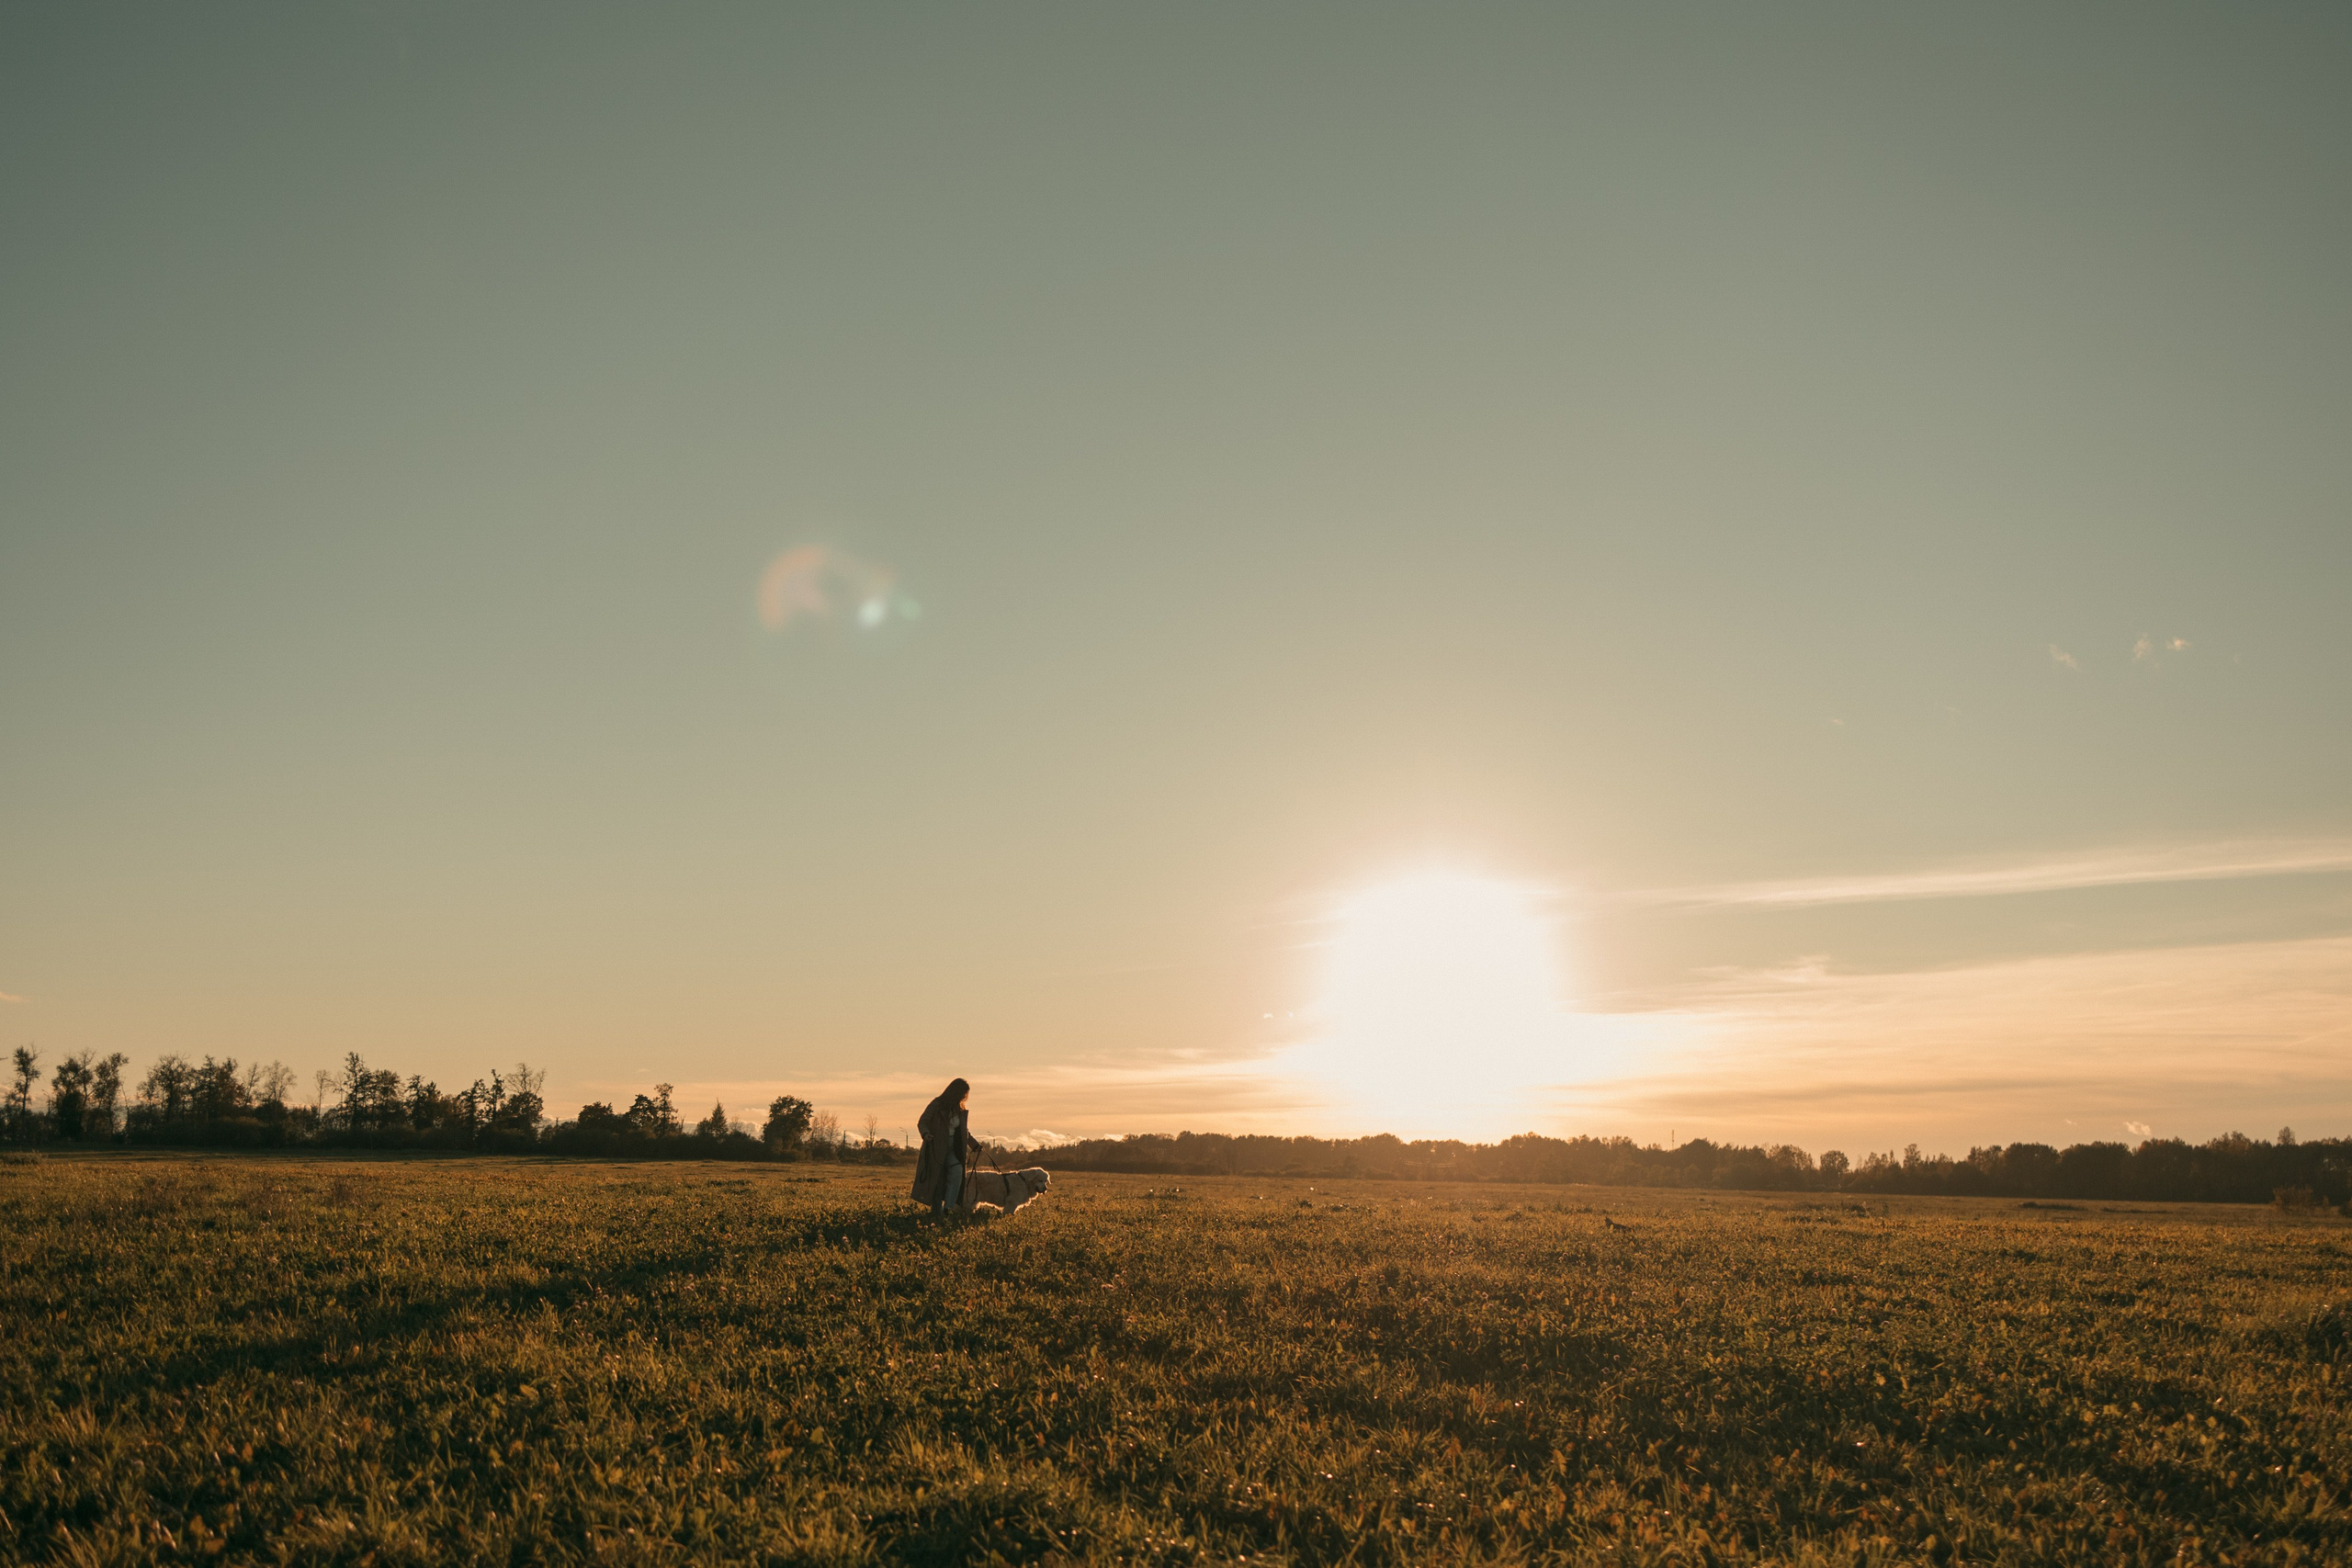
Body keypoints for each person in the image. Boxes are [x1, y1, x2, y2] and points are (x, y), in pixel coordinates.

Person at [911, 1077, 983, 1218]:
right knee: (937, 1180)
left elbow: (964, 1131)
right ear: (955, 1092)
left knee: (957, 1171)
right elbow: (922, 1122)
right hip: (936, 1147)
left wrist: (974, 1145)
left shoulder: (960, 1108)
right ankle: (936, 1212)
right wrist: (926, 1134)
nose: (965, 1097)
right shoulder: (936, 1104)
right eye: (963, 1093)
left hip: (953, 1148)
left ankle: (948, 1209)